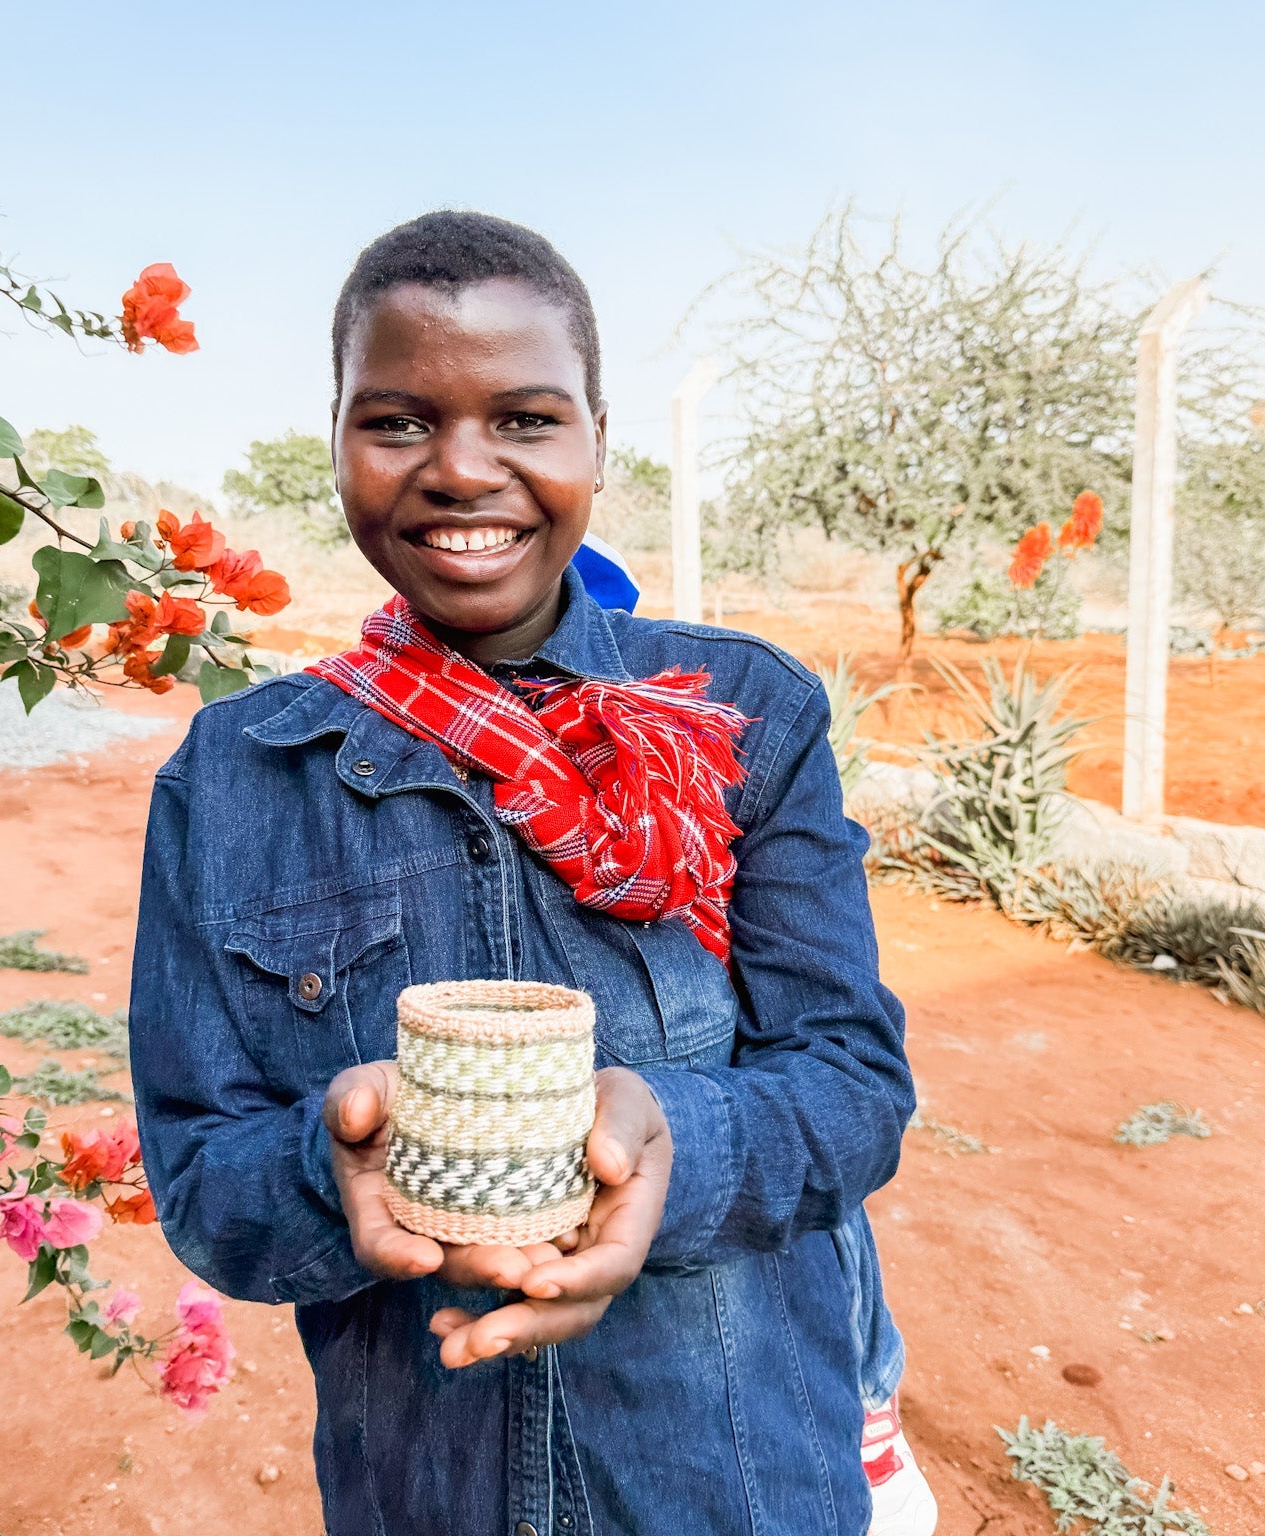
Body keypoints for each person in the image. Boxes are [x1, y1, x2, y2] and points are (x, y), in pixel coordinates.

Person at [130, 211, 935, 1536]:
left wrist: (678, 1144)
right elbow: (203, 1176)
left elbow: (852, 1087)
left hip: (732, 1490)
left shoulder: (739, 717)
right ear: (337, 441)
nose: (461, 469)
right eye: (398, 422)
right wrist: (329, 1170)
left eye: (525, 420)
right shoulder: (236, 778)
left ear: (596, 443)